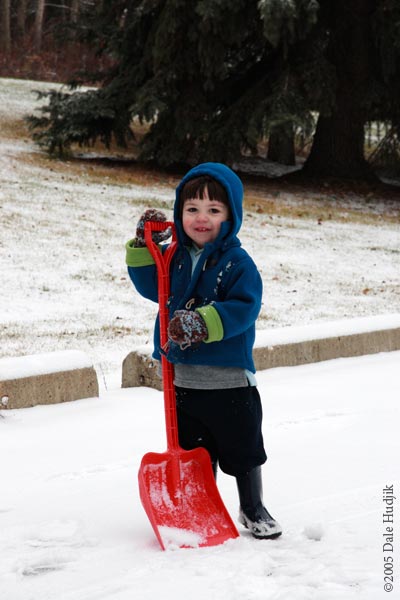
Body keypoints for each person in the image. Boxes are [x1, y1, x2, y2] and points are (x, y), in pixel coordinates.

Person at [125, 162, 282, 539]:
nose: (201, 218)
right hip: (182, 379)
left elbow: (245, 307)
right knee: (195, 452)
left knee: (243, 448)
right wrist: (143, 248)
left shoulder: (236, 263)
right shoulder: (174, 255)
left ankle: (251, 506)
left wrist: (203, 322)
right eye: (192, 209)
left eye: (214, 210)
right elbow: (153, 288)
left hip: (229, 380)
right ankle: (199, 504)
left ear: (230, 215)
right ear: (180, 213)